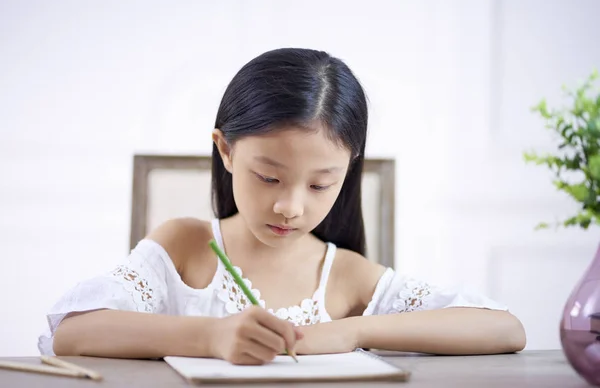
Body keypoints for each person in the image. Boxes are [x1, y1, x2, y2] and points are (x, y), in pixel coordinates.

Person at [38, 48, 526, 364]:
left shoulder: (346, 278)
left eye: (320, 185)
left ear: (348, 170)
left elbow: (503, 328)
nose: (290, 206)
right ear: (226, 150)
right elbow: (76, 333)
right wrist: (212, 338)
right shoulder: (186, 247)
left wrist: (346, 333)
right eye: (269, 177)